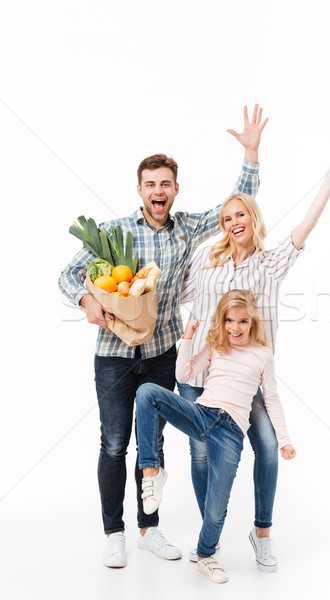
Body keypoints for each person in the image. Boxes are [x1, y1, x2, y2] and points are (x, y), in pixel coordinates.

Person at [58, 105, 268, 568]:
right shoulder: (113, 231)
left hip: (162, 354)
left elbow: (236, 209)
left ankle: (148, 528)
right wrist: (86, 302)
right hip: (113, 356)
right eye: (150, 184)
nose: (158, 191)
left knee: (151, 442)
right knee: (114, 443)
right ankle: (114, 533)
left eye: (166, 184)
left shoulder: (188, 228)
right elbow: (67, 276)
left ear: (175, 191)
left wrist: (251, 154)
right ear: (140, 190)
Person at [178, 145, 330, 570]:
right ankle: (209, 540)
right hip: (199, 370)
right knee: (201, 453)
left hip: (245, 378)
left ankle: (262, 534)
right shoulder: (207, 258)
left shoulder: (271, 264)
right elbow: (177, 297)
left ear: (253, 220)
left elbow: (306, 225)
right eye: (226, 218)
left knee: (269, 448)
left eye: (240, 215)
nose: (233, 223)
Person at [135, 290, 296, 584]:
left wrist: (283, 440)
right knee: (146, 392)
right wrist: (186, 338)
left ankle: (207, 555)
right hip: (202, 414)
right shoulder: (215, 346)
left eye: (243, 321)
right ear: (221, 321)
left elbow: (271, 399)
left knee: (216, 508)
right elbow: (184, 376)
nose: (235, 327)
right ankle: (151, 471)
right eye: (229, 320)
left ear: (253, 323)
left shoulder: (262, 355)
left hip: (231, 432)